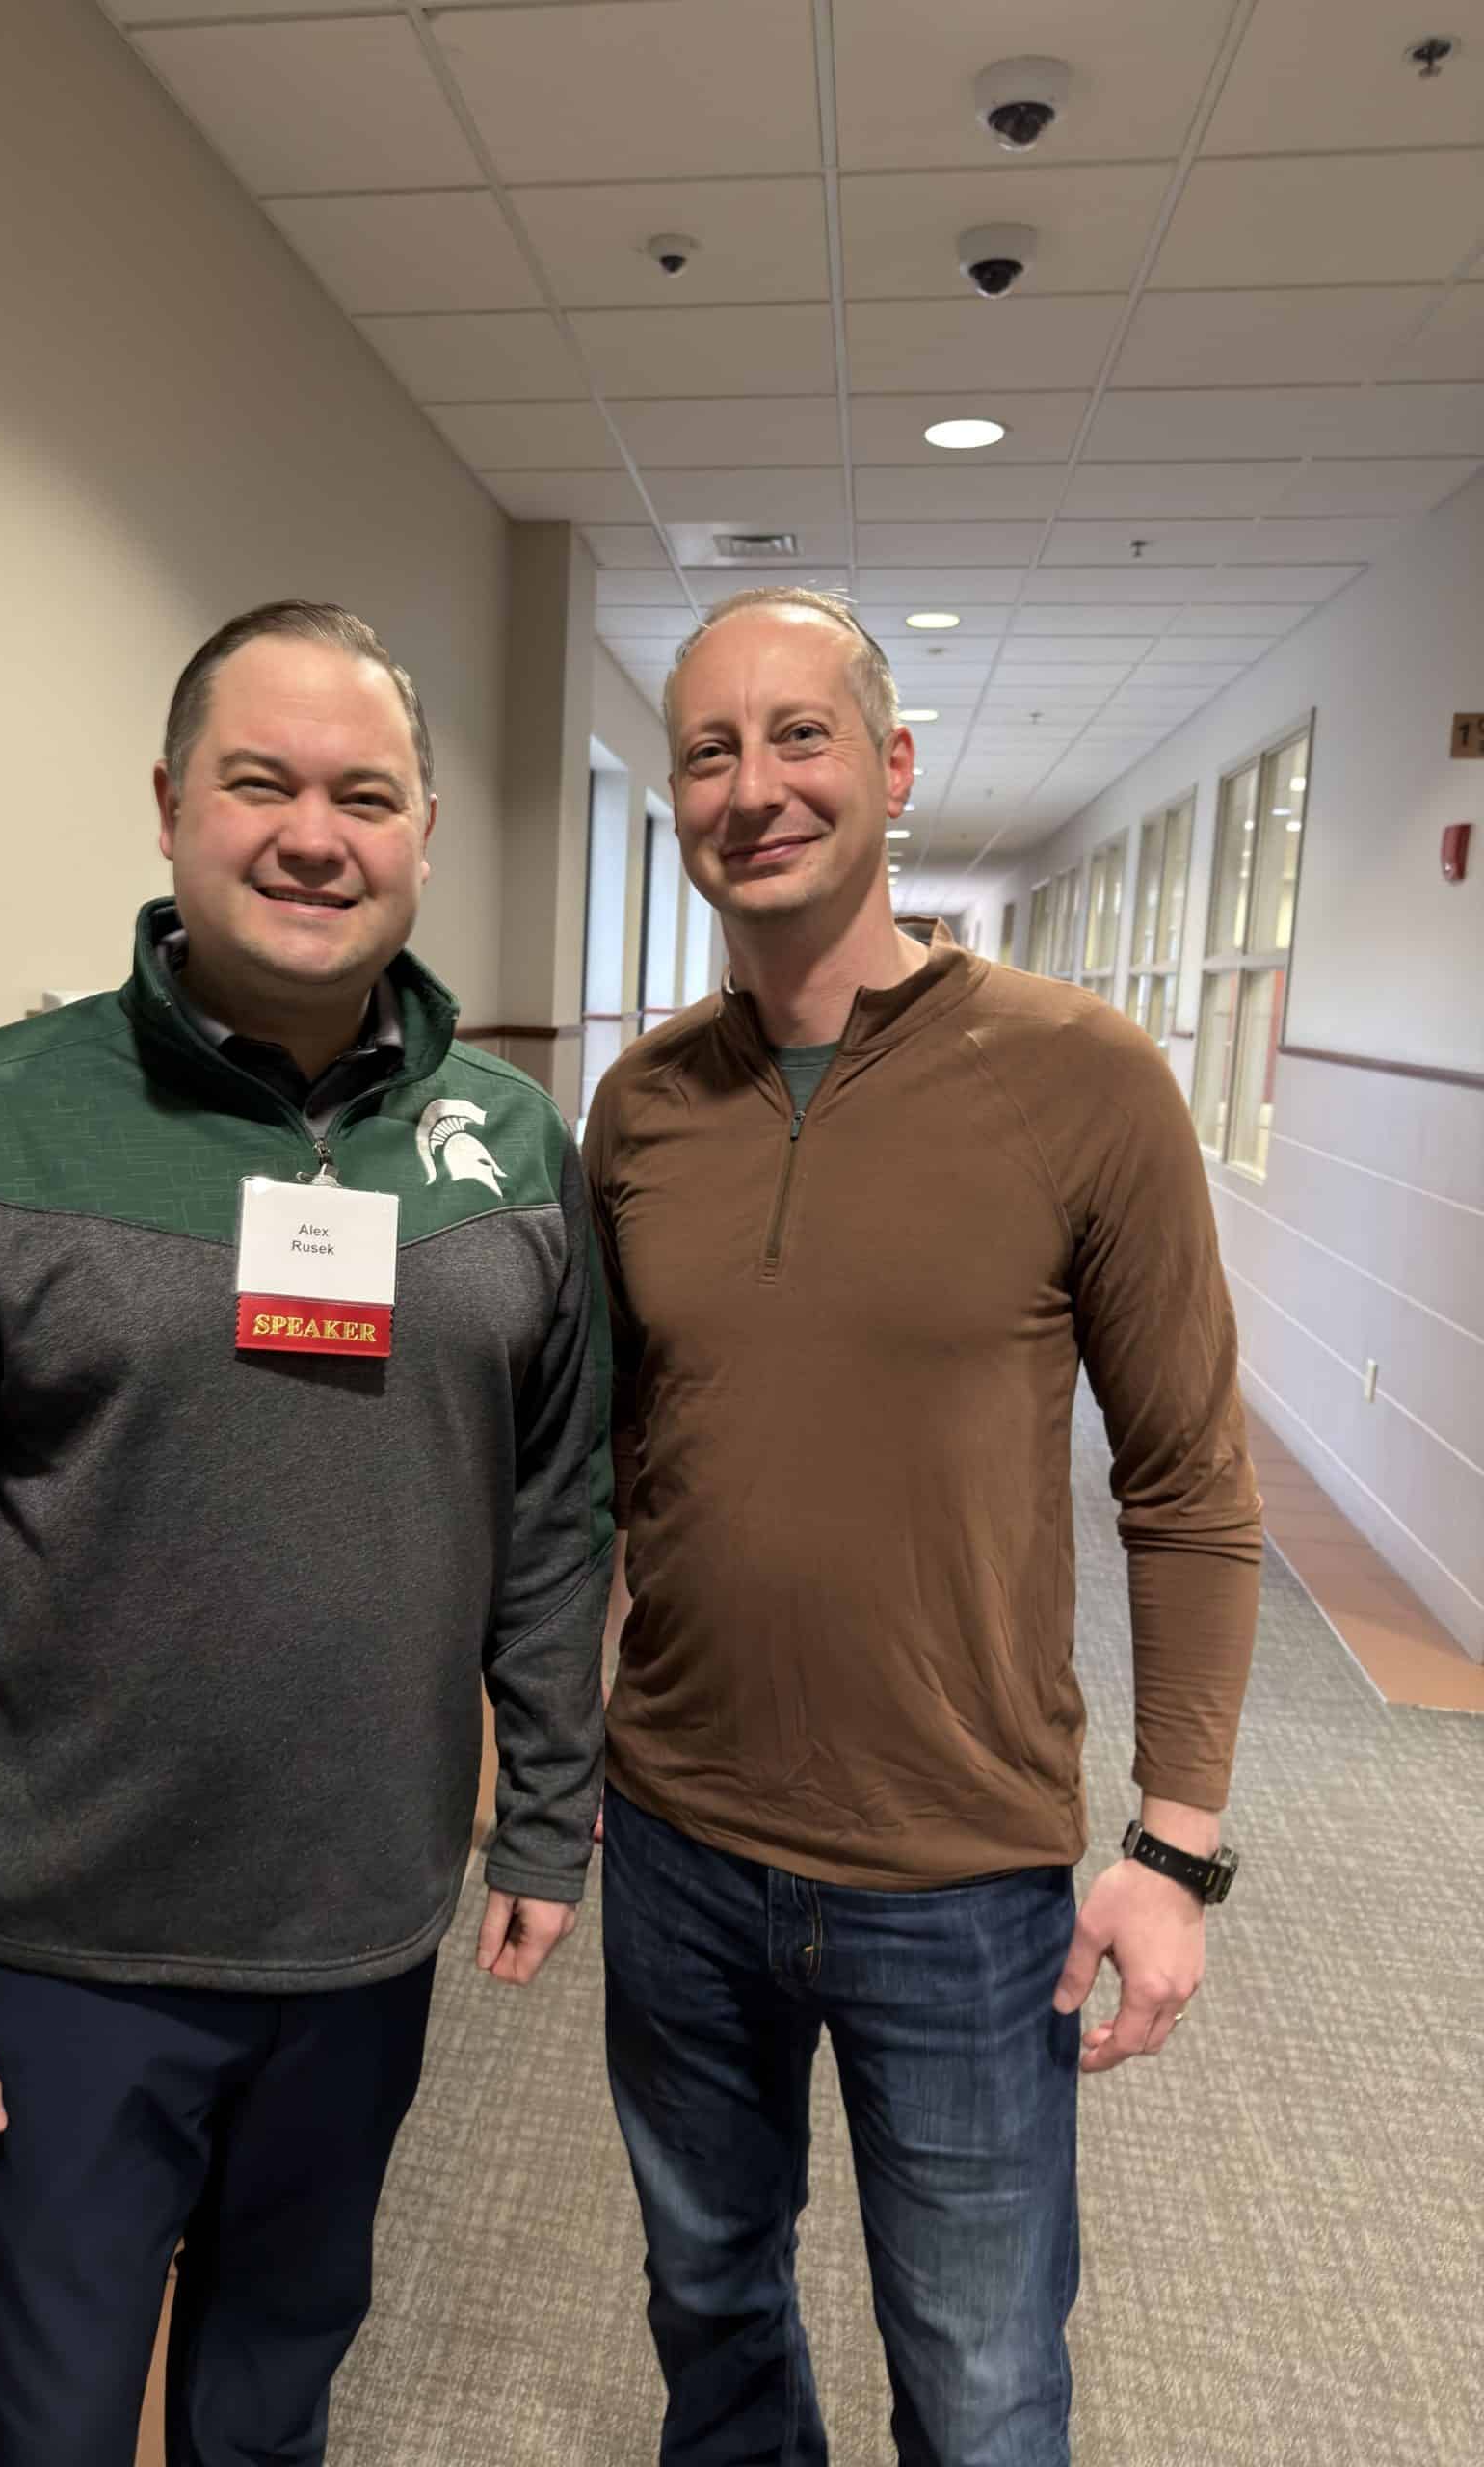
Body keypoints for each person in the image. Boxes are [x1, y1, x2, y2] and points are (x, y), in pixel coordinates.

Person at [0, 600, 613, 2467]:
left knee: (272, 2397)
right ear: (168, 807)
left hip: (362, 1933)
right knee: (39, 2424)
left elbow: (557, 1506)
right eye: (259, 783)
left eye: (364, 795)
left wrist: (551, 1797)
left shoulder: (511, 1146)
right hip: (60, 1952)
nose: (314, 835)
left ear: (423, 832)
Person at [583, 586, 1260, 2467]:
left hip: (960, 1872)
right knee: (709, 2301)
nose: (754, 786)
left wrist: (1177, 1844)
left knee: (980, 2380)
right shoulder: (642, 1106)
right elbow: (612, 1466)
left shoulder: (1083, 1077)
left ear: (890, 767)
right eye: (710, 750)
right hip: (679, 1845)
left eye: (800, 735)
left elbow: (1190, 1484)